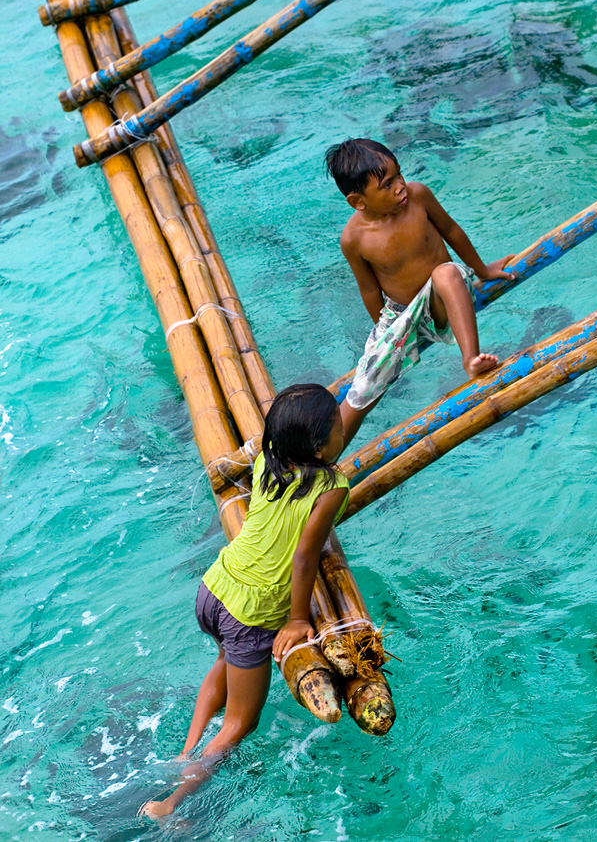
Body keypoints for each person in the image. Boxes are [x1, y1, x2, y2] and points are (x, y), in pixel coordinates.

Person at [140, 384, 349, 819]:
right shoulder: (332, 486)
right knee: (239, 724)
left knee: (223, 660)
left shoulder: (263, 464)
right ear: (317, 445)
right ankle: (169, 804)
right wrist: (295, 619)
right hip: (251, 614)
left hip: (215, 587)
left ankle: (185, 752)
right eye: (338, 424)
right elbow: (305, 554)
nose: (344, 427)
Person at [325, 138, 516, 446]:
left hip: (443, 296)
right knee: (363, 386)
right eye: (387, 185)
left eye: (399, 175)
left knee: (445, 272)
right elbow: (370, 290)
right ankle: (328, 452)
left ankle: (471, 359)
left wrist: (482, 270)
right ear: (358, 202)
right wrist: (388, 335)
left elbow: (452, 231)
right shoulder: (353, 239)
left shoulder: (419, 196)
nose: (400, 186)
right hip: (400, 313)